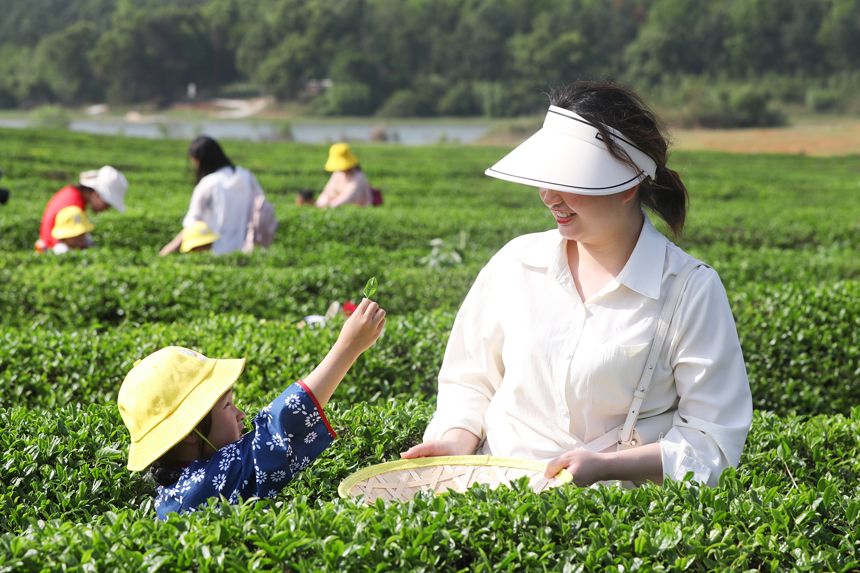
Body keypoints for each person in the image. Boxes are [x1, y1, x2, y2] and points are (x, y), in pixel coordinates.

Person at [401, 80, 753, 490]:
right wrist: (455, 440)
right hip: (490, 502)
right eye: (545, 178)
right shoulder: (516, 264)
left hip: (609, 524)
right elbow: (470, 378)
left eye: (567, 180)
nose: (548, 196)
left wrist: (608, 467)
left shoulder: (689, 290)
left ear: (628, 184)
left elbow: (713, 441)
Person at [118, 297, 386, 520]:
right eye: (227, 405)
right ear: (190, 431)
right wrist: (348, 347)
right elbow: (274, 433)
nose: (240, 414)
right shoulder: (200, 488)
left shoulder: (178, 485)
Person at [159, 136, 264, 256]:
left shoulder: (209, 183)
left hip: (216, 251)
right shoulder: (247, 176)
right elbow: (261, 207)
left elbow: (192, 223)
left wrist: (168, 250)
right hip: (247, 250)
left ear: (200, 161)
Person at [37, 166, 128, 252]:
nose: (106, 209)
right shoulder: (73, 207)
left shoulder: (73, 194)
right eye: (107, 204)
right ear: (96, 195)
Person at [315, 143, 373, 208]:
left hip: (358, 209)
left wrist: (329, 206)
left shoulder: (358, 176)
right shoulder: (338, 173)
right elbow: (327, 191)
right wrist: (319, 204)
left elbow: (349, 198)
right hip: (336, 207)